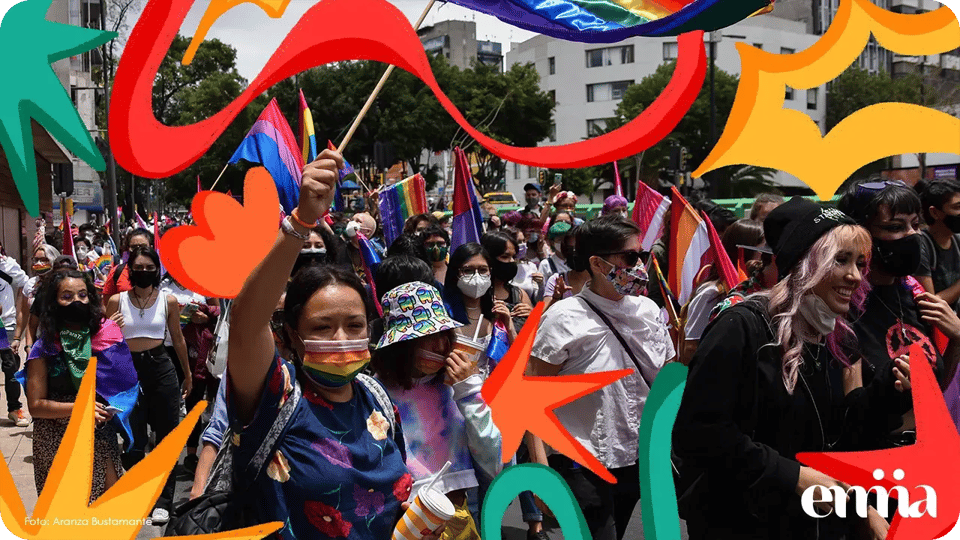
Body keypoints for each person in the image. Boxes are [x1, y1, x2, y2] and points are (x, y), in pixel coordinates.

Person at [226, 149, 438, 539]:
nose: (341, 338)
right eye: (322, 327)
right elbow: (244, 321)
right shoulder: (273, 394)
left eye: (354, 324)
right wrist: (300, 221)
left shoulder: (377, 400)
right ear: (291, 335)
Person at [672, 197, 903, 540]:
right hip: (741, 524)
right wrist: (794, 476)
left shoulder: (837, 338)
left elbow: (843, 437)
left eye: (860, 262)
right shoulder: (742, 327)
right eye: (840, 260)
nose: (855, 276)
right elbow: (700, 432)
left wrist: (890, 391)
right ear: (805, 262)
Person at [527, 216, 675, 540]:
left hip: (637, 460)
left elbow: (665, 382)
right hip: (582, 464)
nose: (641, 266)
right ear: (597, 262)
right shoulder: (563, 319)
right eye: (630, 257)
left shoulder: (649, 312)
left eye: (643, 254)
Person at [372, 282, 502, 540]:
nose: (442, 345)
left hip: (461, 508)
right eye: (427, 337)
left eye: (445, 334)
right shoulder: (376, 393)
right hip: (408, 518)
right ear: (401, 346)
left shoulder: (457, 384)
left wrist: (470, 392)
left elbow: (493, 459)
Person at [838, 180, 960, 438]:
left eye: (916, 225)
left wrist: (958, 340)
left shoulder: (914, 295)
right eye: (895, 227)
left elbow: (938, 388)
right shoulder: (842, 306)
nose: (912, 236)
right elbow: (850, 418)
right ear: (858, 234)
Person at [22, 268, 139, 502]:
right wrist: (80, 408)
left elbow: (122, 384)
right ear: (53, 303)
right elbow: (36, 406)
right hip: (57, 439)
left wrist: (111, 408)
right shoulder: (44, 347)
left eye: (82, 295)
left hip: (98, 435)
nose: (77, 301)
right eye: (67, 296)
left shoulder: (106, 336)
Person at [105, 248, 191, 524]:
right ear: (129, 270)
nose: (143, 272)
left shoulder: (169, 300)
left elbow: (177, 339)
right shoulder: (116, 301)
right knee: (133, 438)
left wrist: (187, 374)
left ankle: (163, 500)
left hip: (160, 367)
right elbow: (104, 342)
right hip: (127, 370)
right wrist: (109, 328)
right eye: (137, 267)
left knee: (166, 436)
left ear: (157, 270)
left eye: (149, 267)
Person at [158, 271, 220, 474]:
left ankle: (191, 455)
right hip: (167, 350)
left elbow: (218, 310)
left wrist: (206, 316)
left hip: (196, 354)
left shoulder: (203, 284)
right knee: (167, 404)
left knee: (193, 404)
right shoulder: (162, 288)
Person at [680, 219, 764, 365]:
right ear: (744, 252)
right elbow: (691, 347)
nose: (766, 259)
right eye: (762, 251)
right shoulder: (712, 293)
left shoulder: (759, 288)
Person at [916, 179, 960, 312]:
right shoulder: (921, 246)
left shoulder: (957, 241)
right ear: (935, 212)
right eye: (957, 207)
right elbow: (930, 302)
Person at [0, 248, 30, 426]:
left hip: (6, 326)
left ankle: (14, 409)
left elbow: (24, 282)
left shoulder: (6, 266)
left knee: (11, 368)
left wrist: (5, 262)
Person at [482, 231, 534, 332]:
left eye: (513, 257)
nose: (511, 262)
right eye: (505, 257)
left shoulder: (519, 295)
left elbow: (530, 337)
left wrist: (532, 316)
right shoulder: (475, 295)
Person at [543, 226, 590, 310]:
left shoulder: (604, 281)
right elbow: (536, 318)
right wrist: (556, 298)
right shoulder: (556, 280)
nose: (575, 254)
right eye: (570, 249)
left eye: (579, 249)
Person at [101, 228, 153, 305]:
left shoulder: (160, 272)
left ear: (150, 247)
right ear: (128, 248)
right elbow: (106, 304)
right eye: (134, 247)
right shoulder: (117, 272)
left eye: (143, 246)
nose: (138, 250)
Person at [507, 227, 544, 304]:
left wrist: (541, 285)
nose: (523, 244)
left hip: (528, 313)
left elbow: (538, 301)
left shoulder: (531, 266)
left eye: (524, 241)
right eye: (519, 242)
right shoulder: (503, 266)